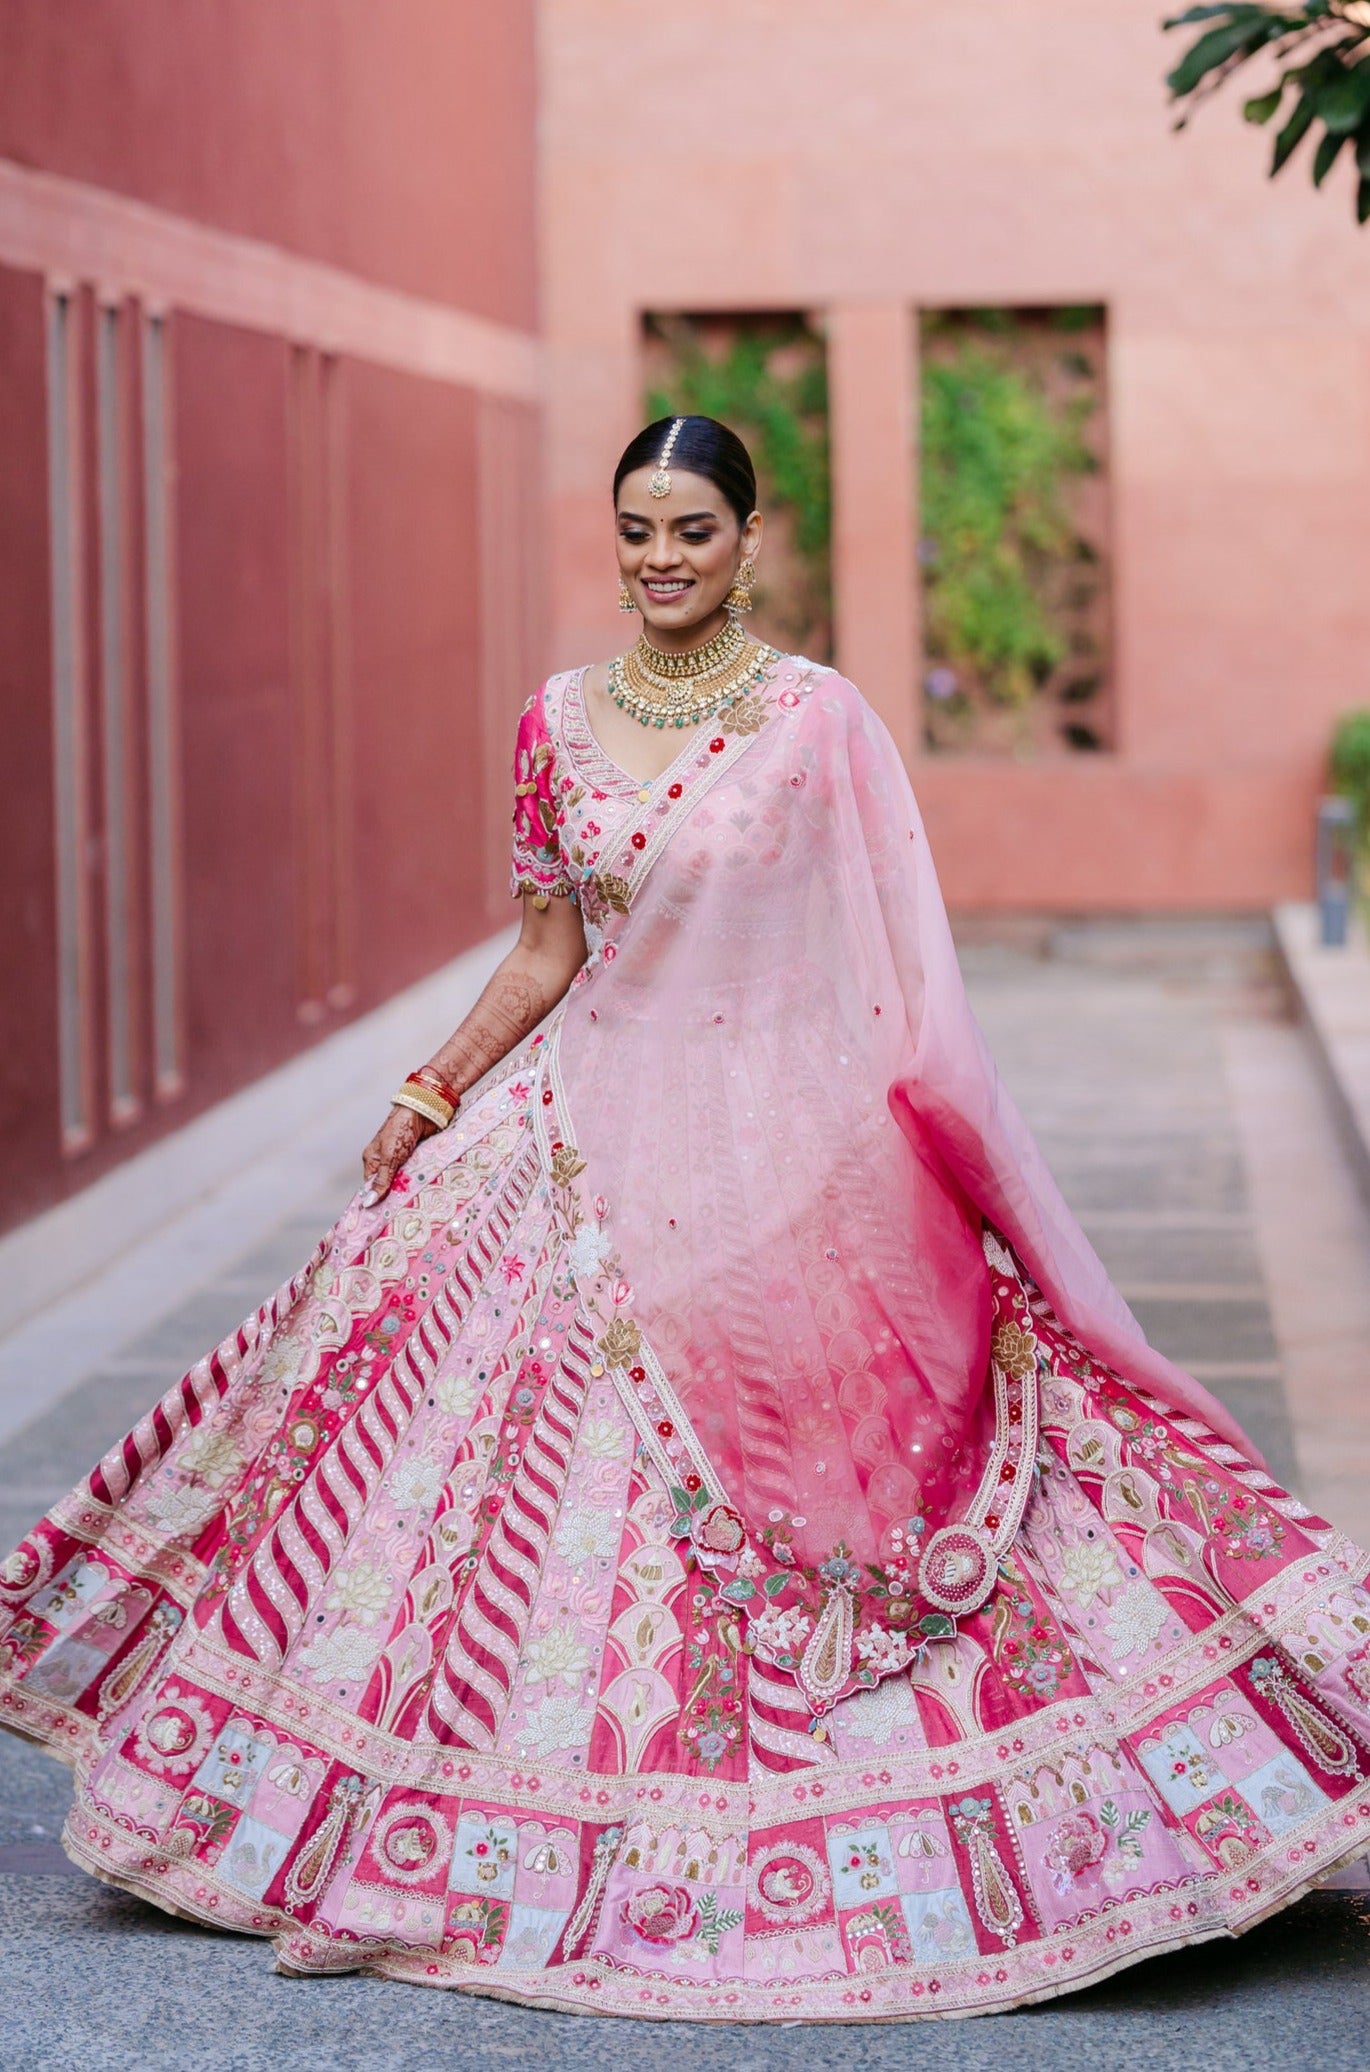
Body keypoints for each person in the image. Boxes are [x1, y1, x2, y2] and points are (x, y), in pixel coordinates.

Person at [2, 415, 1367, 2023]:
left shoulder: (815, 724)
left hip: (776, 1159)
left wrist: (875, 1172)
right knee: (413, 1452)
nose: (661, 560)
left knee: (860, 1481)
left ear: (750, 540)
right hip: (574, 1151)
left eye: (693, 533)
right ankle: (465, 1820)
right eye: (637, 531)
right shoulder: (553, 723)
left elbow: (884, 977)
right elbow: (542, 950)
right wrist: (430, 1091)